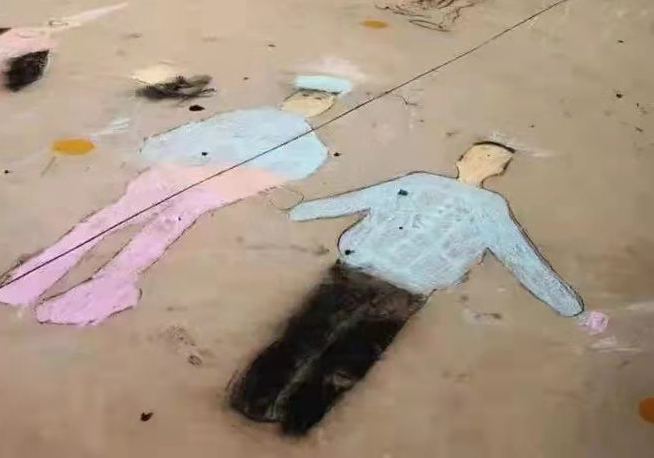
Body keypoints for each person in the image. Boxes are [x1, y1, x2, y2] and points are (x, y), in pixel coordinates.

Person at [230, 142, 584, 435]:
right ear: (461, 157)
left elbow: (518, 254)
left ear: (499, 172)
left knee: (351, 358)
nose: (485, 160)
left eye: (495, 159)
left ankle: (299, 419)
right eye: (482, 152)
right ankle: (253, 401)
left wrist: (565, 302)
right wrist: (301, 211)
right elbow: (356, 199)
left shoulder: (490, 207)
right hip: (355, 271)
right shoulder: (419, 183)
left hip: (407, 289)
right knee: (304, 335)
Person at [0, 101, 335, 326]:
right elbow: (200, 133)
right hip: (179, 176)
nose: (308, 102)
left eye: (319, 99)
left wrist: (219, 174)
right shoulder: (262, 121)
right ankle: (39, 283)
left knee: (144, 236)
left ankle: (89, 295)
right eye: (308, 95)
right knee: (112, 224)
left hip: (197, 184)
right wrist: (165, 155)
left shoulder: (306, 146)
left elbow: (254, 165)